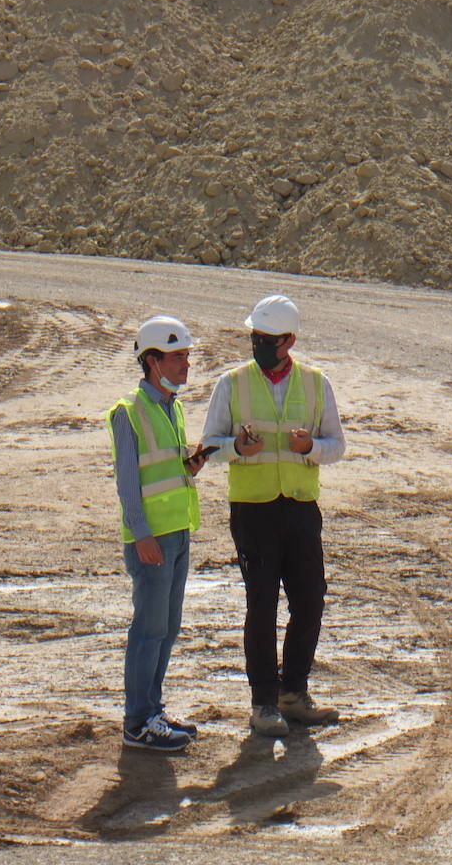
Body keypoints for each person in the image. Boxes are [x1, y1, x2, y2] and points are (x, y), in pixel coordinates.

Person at [200, 295, 346, 736]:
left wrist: (310, 449)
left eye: (267, 339)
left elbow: (336, 445)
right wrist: (236, 450)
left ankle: (293, 693)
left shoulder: (316, 384)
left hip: (300, 508)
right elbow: (208, 443)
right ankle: (263, 703)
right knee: (261, 606)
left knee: (310, 600)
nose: (258, 344)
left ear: (289, 341)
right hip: (253, 511)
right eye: (255, 337)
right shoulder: (232, 383)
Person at [106, 315, 213, 751]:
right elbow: (128, 482)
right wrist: (141, 533)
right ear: (152, 361)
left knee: (167, 628)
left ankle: (153, 709)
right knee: (148, 630)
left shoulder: (174, 406)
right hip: (152, 538)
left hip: (179, 532)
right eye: (178, 356)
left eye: (187, 355)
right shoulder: (128, 412)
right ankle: (138, 722)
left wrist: (190, 465)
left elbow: (163, 470)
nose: (186, 364)